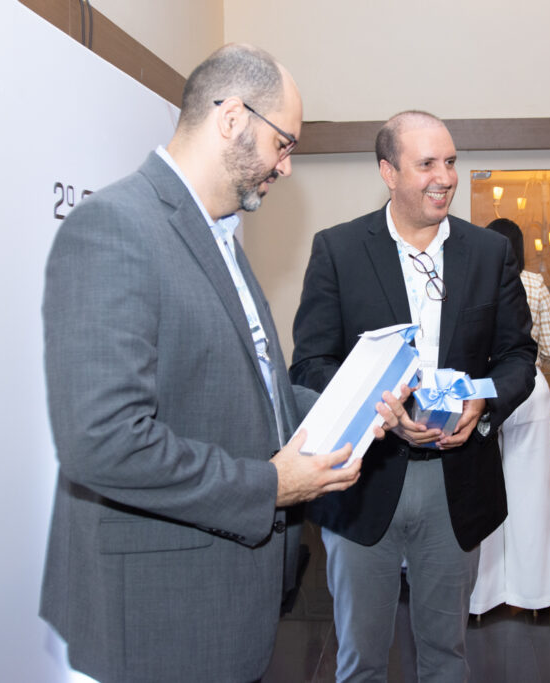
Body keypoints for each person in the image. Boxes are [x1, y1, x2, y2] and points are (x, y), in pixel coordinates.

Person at [40, 44, 384, 683]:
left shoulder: (218, 233)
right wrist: (271, 486)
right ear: (232, 118)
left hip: (224, 601)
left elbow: (257, 390)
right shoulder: (116, 228)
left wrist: (361, 407)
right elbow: (102, 442)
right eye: (284, 144)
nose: (285, 168)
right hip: (155, 617)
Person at [289, 110, 537, 682]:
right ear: (388, 171)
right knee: (361, 661)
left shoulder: (488, 254)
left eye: (450, 161)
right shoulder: (339, 250)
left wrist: (485, 402)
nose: (444, 177)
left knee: (447, 657)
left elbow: (519, 356)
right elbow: (310, 364)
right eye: (426, 163)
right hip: (363, 482)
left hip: (457, 483)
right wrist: (381, 410)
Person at [469, 218, 550, 616]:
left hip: (483, 392)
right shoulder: (533, 282)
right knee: (532, 496)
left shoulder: (474, 279)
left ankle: (481, 599)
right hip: (528, 388)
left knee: (483, 493)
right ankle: (536, 598)